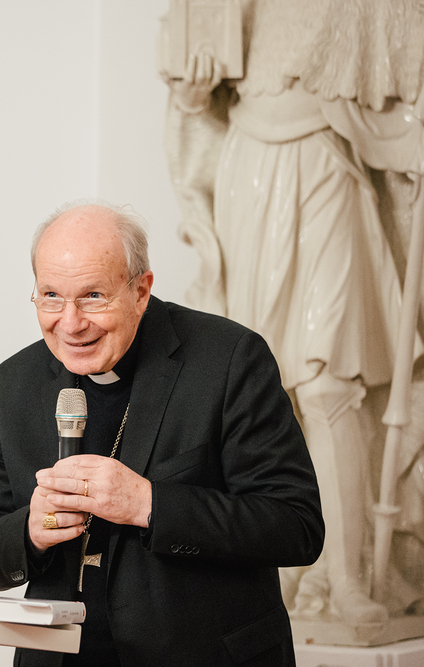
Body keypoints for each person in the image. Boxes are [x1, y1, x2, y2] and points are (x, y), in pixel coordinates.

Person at [0, 201, 324, 667]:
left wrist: (148, 504)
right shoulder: (16, 382)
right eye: (50, 296)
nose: (70, 323)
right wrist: (32, 530)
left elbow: (296, 526)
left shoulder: (229, 360)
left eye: (93, 296)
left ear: (140, 291)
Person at [161, 0, 424, 628]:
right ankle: (277, 571)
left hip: (330, 162)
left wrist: (406, 134)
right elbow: (196, 98)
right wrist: (192, 94)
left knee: (331, 383)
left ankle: (349, 578)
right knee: (263, 382)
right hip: (250, 171)